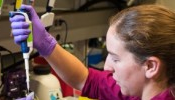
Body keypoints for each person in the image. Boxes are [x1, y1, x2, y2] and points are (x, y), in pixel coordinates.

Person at [10, 4, 175, 100]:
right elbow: (86, 79)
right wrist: (45, 43)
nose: (107, 68)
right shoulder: (138, 90)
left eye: (116, 59)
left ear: (150, 66)